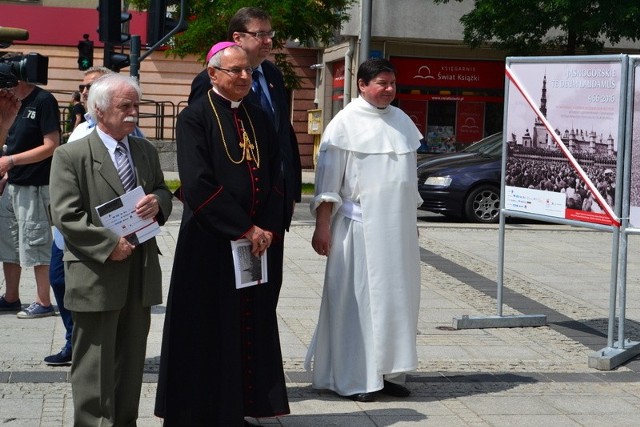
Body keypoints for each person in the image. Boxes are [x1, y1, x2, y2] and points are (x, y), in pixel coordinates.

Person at [154, 42, 289, 427]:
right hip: (211, 242)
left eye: (247, 70)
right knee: (208, 327)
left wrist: (265, 228)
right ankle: (199, 415)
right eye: (235, 71)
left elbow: (274, 176)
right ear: (213, 74)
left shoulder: (258, 116)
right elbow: (197, 184)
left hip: (253, 242)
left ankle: (235, 412)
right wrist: (244, 228)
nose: (245, 77)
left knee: (245, 326)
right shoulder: (195, 116)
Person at [49, 73, 173, 425]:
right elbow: (66, 216)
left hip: (140, 268)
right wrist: (108, 245)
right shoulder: (71, 155)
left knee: (131, 363)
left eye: (137, 106)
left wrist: (157, 203)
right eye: (125, 106)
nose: (134, 113)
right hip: (97, 271)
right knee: (94, 365)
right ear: (100, 111)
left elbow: (163, 190)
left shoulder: (145, 150)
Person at [304, 58, 423, 402]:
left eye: (392, 84)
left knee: (396, 302)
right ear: (361, 85)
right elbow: (328, 185)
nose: (388, 90)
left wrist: (410, 225)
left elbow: (408, 184)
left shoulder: (402, 122)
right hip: (358, 228)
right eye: (381, 83)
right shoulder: (344, 124)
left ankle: (388, 372)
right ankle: (356, 377)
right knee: (359, 303)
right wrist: (322, 228)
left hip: (397, 231)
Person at [190, 8, 301, 270]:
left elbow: (283, 132)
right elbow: (206, 145)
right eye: (260, 34)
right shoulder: (209, 82)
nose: (268, 41)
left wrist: (291, 189)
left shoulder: (272, 75)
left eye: (270, 34)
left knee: (268, 281)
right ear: (237, 38)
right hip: (233, 207)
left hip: (273, 200)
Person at [43, 67, 115, 366]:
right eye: (82, 87)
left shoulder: (117, 128)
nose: (84, 92)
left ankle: (89, 346)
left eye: (91, 87)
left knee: (88, 289)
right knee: (58, 281)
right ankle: (74, 340)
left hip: (93, 226)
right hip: (66, 226)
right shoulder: (82, 126)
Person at [0, 80, 59, 319]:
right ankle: (11, 297)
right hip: (11, 183)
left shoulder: (43, 101)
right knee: (9, 243)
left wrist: (12, 161)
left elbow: (52, 145)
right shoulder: (8, 101)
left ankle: (43, 301)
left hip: (35, 184)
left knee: (36, 242)